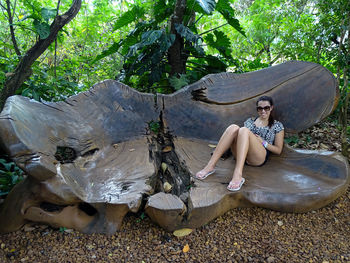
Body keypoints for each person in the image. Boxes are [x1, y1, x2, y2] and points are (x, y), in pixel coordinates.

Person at [195, 95, 285, 191]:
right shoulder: (249, 122)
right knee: (233, 127)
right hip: (241, 155)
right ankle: (210, 166)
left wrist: (263, 142)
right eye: (260, 108)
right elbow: (241, 138)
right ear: (257, 109)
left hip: (258, 157)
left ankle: (237, 175)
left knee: (244, 130)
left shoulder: (277, 126)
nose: (263, 111)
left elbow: (278, 150)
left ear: (271, 108)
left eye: (266, 108)